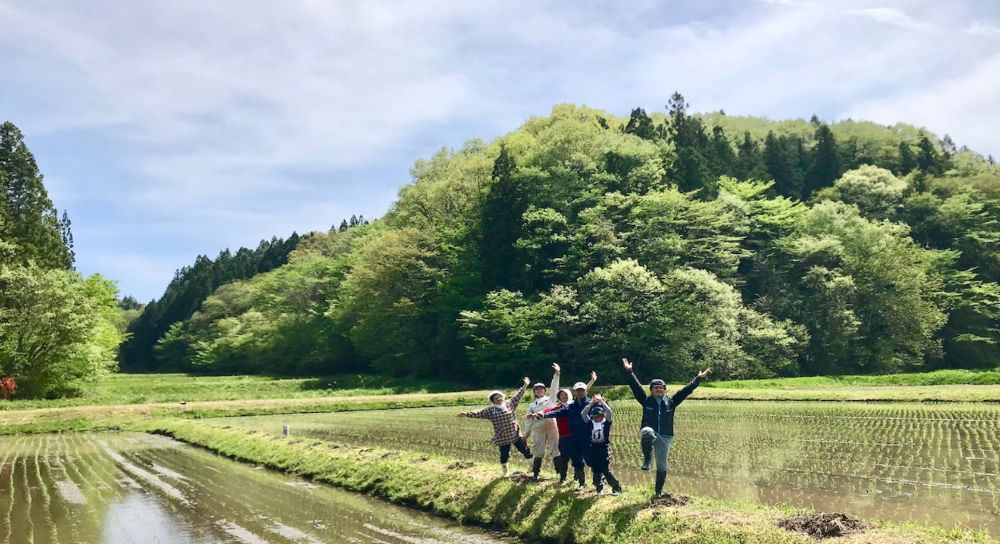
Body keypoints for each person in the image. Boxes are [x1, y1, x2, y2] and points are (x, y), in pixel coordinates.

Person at [622, 357, 710, 497]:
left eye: (661, 387)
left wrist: (698, 379)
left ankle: (658, 492)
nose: (658, 389)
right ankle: (647, 459)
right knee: (647, 431)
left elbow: (686, 391)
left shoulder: (671, 402)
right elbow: (636, 387)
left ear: (664, 390)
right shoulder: (646, 401)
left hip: (666, 436)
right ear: (651, 390)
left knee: (662, 466)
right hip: (651, 432)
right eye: (655, 387)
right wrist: (629, 371)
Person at [540, 371, 604, 488]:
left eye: (582, 390)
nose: (580, 392)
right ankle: (582, 483)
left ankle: (599, 482)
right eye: (577, 390)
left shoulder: (592, 403)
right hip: (574, 438)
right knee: (577, 461)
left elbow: (602, 416)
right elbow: (559, 412)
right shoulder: (570, 406)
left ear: (585, 391)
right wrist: (544, 415)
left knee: (591, 460)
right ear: (574, 392)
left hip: (588, 438)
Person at [458, 377, 533, 476]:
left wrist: (525, 385)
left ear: (503, 397)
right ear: (492, 401)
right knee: (504, 455)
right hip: (502, 436)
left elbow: (518, 395)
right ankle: (505, 472)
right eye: (495, 398)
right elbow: (478, 413)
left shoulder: (510, 404)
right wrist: (466, 413)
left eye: (500, 397)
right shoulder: (490, 410)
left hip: (515, 433)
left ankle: (532, 466)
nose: (498, 399)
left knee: (525, 450)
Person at [522, 363, 561, 480]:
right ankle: (536, 473)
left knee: (555, 449)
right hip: (538, 428)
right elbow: (529, 421)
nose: (539, 391)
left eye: (541, 389)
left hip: (552, 425)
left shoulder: (550, 400)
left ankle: (560, 474)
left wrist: (557, 374)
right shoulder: (531, 405)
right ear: (534, 392)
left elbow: (554, 389)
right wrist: (526, 434)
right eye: (537, 389)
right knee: (538, 450)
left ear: (544, 390)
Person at [580, 394, 621, 495]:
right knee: (596, 469)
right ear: (592, 416)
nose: (597, 417)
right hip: (593, 447)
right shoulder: (590, 423)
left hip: (604, 448)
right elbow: (583, 413)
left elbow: (609, 412)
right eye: (595, 416)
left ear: (603, 415)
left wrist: (602, 402)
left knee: (605, 469)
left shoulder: (606, 423)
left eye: (599, 415)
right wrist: (592, 403)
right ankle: (599, 487)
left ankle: (616, 487)